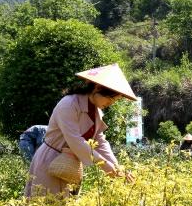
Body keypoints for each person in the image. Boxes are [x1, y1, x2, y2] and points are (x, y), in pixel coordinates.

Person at [24, 64, 136, 198]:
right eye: (110, 98)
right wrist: (105, 166)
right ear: (97, 87)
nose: (111, 103)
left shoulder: (96, 111)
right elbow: (76, 141)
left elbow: (100, 141)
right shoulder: (69, 104)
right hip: (52, 159)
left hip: (72, 165)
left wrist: (117, 168)